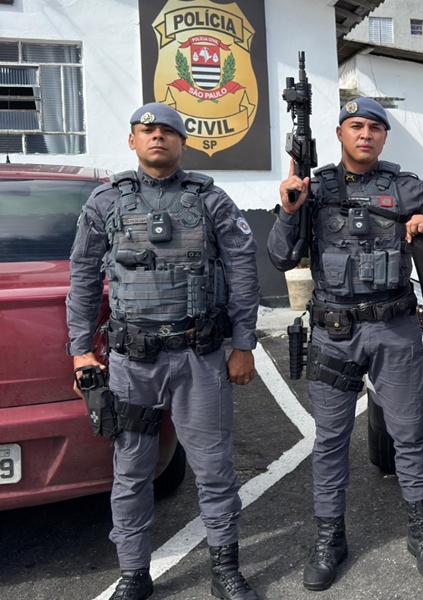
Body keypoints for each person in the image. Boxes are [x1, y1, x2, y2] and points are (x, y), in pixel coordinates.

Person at [267, 97, 423, 591]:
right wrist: (290, 209)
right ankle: (328, 539)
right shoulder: (313, 189)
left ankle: (422, 531)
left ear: (384, 136)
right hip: (334, 332)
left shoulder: (405, 187)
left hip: (394, 330)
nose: (366, 134)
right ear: (340, 133)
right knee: (330, 439)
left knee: (409, 434)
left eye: (375, 128)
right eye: (356, 126)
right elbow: (280, 257)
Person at [66, 102, 261, 600]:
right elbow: (83, 278)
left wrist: (243, 343)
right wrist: (80, 350)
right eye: (147, 130)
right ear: (132, 140)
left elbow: (243, 271)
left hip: (199, 356)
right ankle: (134, 572)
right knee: (132, 470)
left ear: (183, 142)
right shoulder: (105, 201)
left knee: (214, 468)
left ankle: (225, 567)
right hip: (133, 362)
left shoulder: (211, 199)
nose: (158, 136)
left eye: (168, 131)